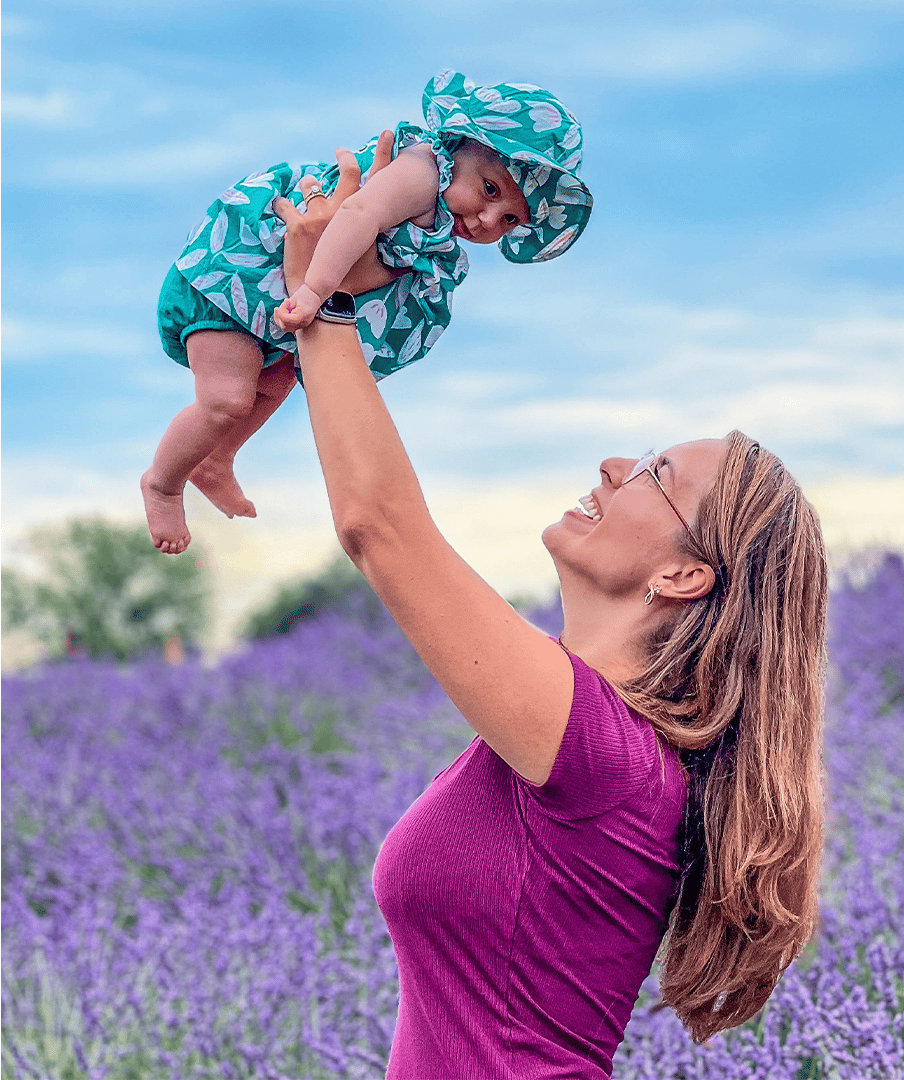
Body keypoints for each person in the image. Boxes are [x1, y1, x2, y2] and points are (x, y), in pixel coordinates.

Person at [276, 168, 828, 1079]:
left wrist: (323, 305)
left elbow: (382, 529)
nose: (614, 463)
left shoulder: (603, 756)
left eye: (655, 474)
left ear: (686, 574)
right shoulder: (581, 743)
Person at [143, 70, 592, 554]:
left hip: (265, 310)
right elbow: (358, 216)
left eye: (509, 219)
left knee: (276, 384)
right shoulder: (422, 171)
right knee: (228, 399)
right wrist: (314, 291)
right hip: (228, 281)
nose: (487, 219)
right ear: (461, 146)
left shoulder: (440, 213)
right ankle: (163, 483)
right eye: (489, 189)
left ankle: (218, 457)